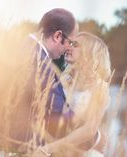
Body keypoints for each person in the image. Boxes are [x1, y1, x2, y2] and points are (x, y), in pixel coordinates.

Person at [6, 8, 78, 154]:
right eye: (70, 42)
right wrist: (93, 135)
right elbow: (59, 117)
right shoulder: (40, 64)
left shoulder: (22, 48)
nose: (69, 48)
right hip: (24, 150)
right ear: (58, 36)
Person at [32, 32, 111, 157]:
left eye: (75, 44)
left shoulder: (100, 87)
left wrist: (48, 148)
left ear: (89, 53)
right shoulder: (62, 79)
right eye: (70, 43)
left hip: (81, 152)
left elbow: (89, 130)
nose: (68, 47)